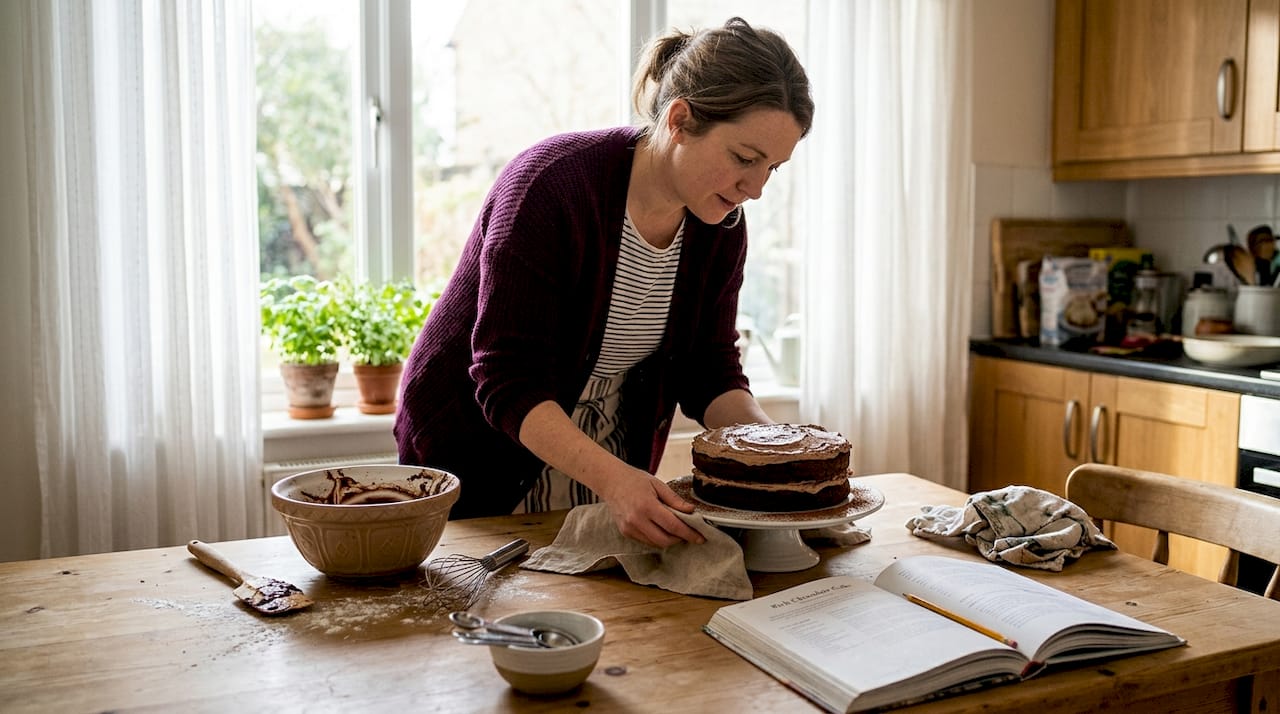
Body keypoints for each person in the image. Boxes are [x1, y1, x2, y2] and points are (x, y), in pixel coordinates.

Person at [395, 16, 814, 548]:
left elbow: (709, 372)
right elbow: (507, 381)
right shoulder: (550, 187)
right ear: (680, 120)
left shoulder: (719, 222)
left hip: (605, 466)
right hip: (481, 458)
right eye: (744, 159)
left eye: (772, 168)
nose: (754, 188)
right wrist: (617, 481)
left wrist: (777, 460)